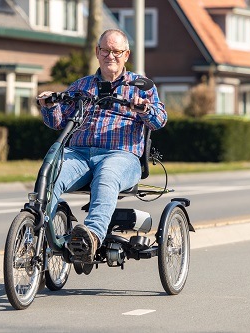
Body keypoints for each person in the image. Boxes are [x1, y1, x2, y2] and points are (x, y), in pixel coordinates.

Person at [37, 29, 167, 263]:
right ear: (97, 52)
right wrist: (48, 105)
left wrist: (144, 109)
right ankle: (35, 229)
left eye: (116, 51)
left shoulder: (141, 87)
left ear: (126, 54)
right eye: (105, 50)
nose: (111, 56)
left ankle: (92, 236)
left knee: (106, 175)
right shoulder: (82, 85)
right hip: (79, 154)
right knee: (51, 172)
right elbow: (57, 122)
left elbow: (159, 119)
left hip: (121, 156)